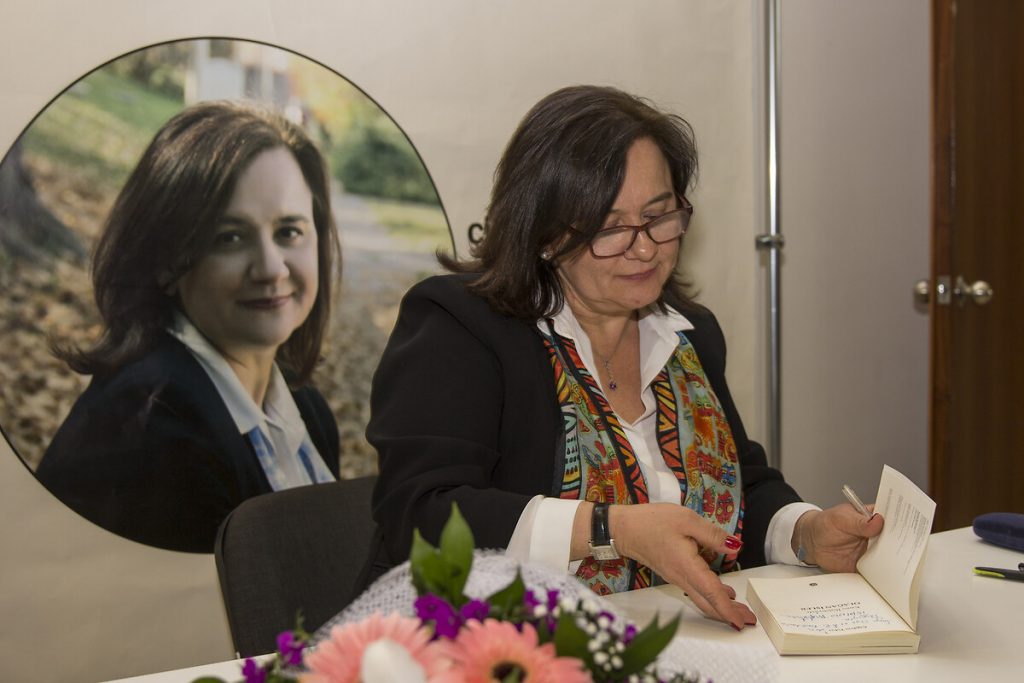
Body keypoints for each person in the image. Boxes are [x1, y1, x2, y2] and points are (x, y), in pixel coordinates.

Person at [366, 85, 883, 630]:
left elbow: (741, 484)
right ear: (544, 235)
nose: (644, 248)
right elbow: (422, 513)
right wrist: (612, 529)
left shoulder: (690, 336)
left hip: (663, 642)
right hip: (487, 645)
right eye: (610, 229)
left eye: (660, 217)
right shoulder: (462, 326)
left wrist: (803, 532)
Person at [36, 101, 341, 553]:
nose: (272, 268)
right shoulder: (156, 431)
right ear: (165, 262)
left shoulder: (307, 413)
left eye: (289, 231)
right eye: (230, 237)